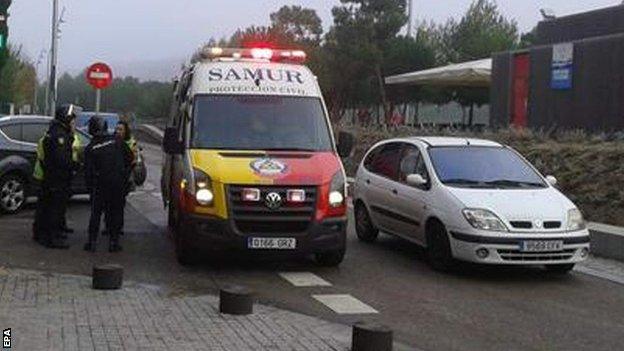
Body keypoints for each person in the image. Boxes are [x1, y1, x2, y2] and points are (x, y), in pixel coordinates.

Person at [84, 117, 133, 252]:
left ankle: (92, 242)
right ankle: (113, 242)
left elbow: (87, 172)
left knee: (96, 213)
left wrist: (90, 188)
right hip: (117, 183)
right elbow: (130, 158)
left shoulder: (90, 147)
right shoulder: (117, 140)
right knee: (115, 213)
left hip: (100, 185)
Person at [33, 104, 79, 249]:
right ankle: (52, 238)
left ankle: (41, 233)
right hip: (57, 177)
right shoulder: (60, 135)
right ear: (65, 119)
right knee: (54, 208)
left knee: (45, 206)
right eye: (71, 120)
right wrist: (74, 165)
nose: (73, 123)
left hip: (50, 176)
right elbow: (61, 159)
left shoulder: (55, 131)